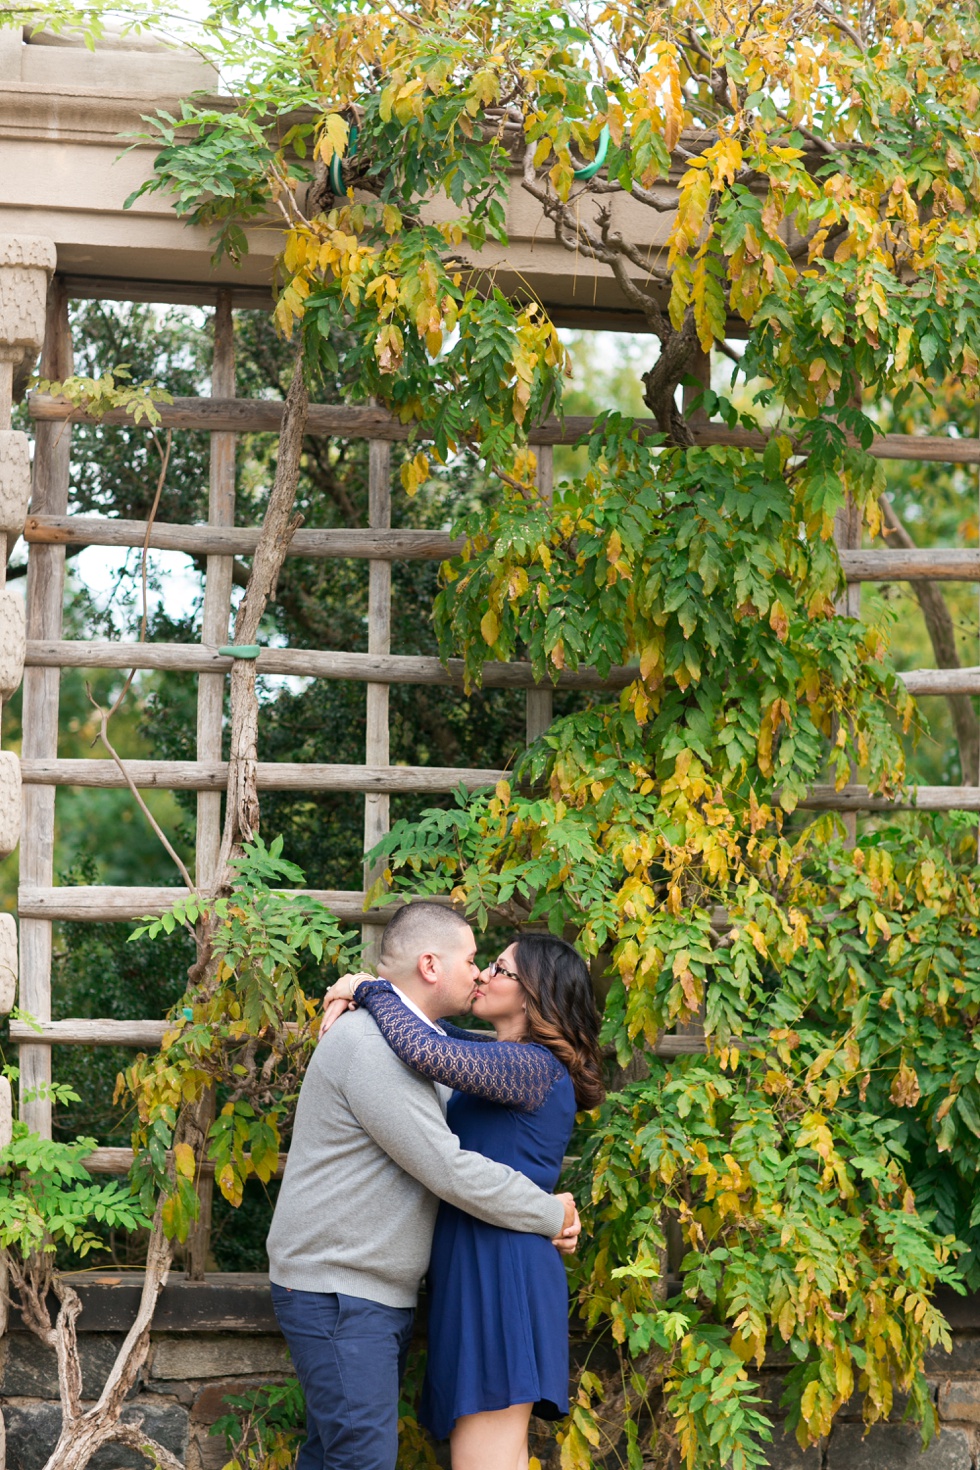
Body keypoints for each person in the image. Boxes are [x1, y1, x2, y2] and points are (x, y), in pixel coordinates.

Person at [266, 902, 580, 1470]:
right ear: (433, 966)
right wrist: (370, 989)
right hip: (358, 1286)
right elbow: (445, 1151)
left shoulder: (524, 1063)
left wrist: (371, 989)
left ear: (534, 993)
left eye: (498, 968)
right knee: (358, 1456)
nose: (481, 973)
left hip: (494, 1271)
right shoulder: (388, 1045)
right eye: (475, 960)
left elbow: (429, 1047)